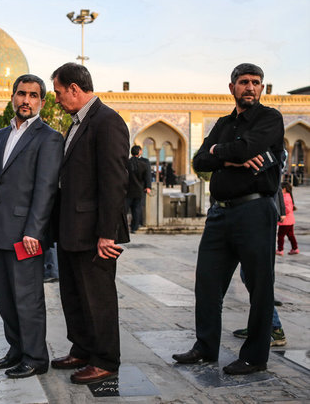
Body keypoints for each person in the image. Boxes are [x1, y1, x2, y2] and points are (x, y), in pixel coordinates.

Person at [172, 63, 284, 375]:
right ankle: (206, 347)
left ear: (262, 88)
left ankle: (254, 357)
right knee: (207, 283)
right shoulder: (222, 123)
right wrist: (226, 153)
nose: (250, 87)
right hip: (220, 213)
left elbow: (245, 148)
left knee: (260, 287)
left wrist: (220, 154)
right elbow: (199, 160)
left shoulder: (269, 119)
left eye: (256, 83)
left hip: (255, 211)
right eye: (244, 82)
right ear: (232, 87)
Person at [0, 74, 63, 379]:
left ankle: (36, 357)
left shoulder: (48, 137)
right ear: (12, 97)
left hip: (26, 234)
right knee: (5, 296)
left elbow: (46, 188)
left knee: (27, 298)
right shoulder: (0, 136)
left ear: (42, 101)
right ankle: (16, 348)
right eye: (21, 94)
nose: (26, 100)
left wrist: (34, 231)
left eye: (33, 95)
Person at [50, 63, 129, 384]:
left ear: (73, 88)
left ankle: (105, 358)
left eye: (57, 92)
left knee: (97, 297)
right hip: (71, 229)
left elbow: (114, 182)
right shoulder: (78, 123)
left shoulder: (107, 122)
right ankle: (82, 348)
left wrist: (106, 235)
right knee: (74, 294)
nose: (56, 99)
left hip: (94, 232)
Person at [127, 145, 151, 233]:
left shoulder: (127, 163)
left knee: (124, 209)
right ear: (140, 152)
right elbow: (147, 176)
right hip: (139, 190)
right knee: (137, 209)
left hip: (127, 190)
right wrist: (148, 187)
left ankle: (122, 227)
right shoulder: (144, 164)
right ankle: (134, 227)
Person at [276, 181, 298, 256]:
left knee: (280, 236)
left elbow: (287, 209)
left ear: (284, 189)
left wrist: (282, 213)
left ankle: (280, 249)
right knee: (291, 235)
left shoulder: (285, 197)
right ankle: (295, 248)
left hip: (285, 221)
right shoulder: (289, 196)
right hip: (290, 221)